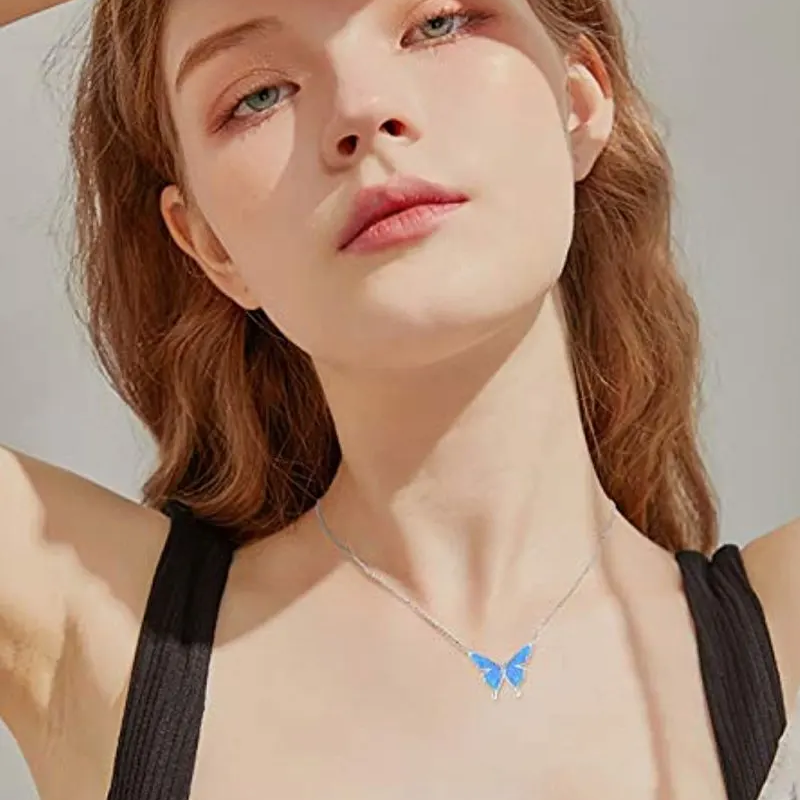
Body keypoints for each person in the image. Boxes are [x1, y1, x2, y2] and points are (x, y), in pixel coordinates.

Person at [0, 0, 798, 798]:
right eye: (258, 95)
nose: (361, 109)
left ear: (579, 99)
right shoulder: (98, 637)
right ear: (207, 243)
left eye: (439, 22)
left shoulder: (781, 642)